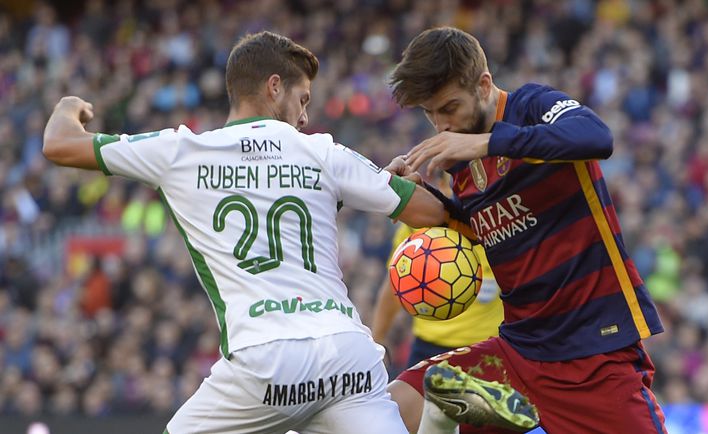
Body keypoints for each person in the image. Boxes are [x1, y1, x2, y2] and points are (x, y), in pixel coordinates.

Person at [42, 31, 450, 434]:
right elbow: (432, 212)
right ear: (274, 87)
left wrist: (67, 106)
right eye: (302, 99)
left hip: (267, 361)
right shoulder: (323, 151)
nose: (304, 116)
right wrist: (387, 182)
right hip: (349, 357)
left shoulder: (181, 151)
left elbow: (59, 144)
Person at [387, 27, 668, 434]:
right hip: (518, 353)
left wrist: (487, 143)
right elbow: (481, 230)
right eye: (430, 114)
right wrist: (416, 196)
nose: (441, 124)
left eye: (449, 107)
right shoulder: (459, 159)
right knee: (395, 406)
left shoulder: (532, 105)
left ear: (484, 85)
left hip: (593, 351)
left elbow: (596, 136)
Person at [371, 173, 504, 370]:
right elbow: (396, 284)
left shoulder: (497, 220)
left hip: (487, 346)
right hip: (428, 346)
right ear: (441, 184)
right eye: (455, 184)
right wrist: (377, 340)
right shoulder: (419, 223)